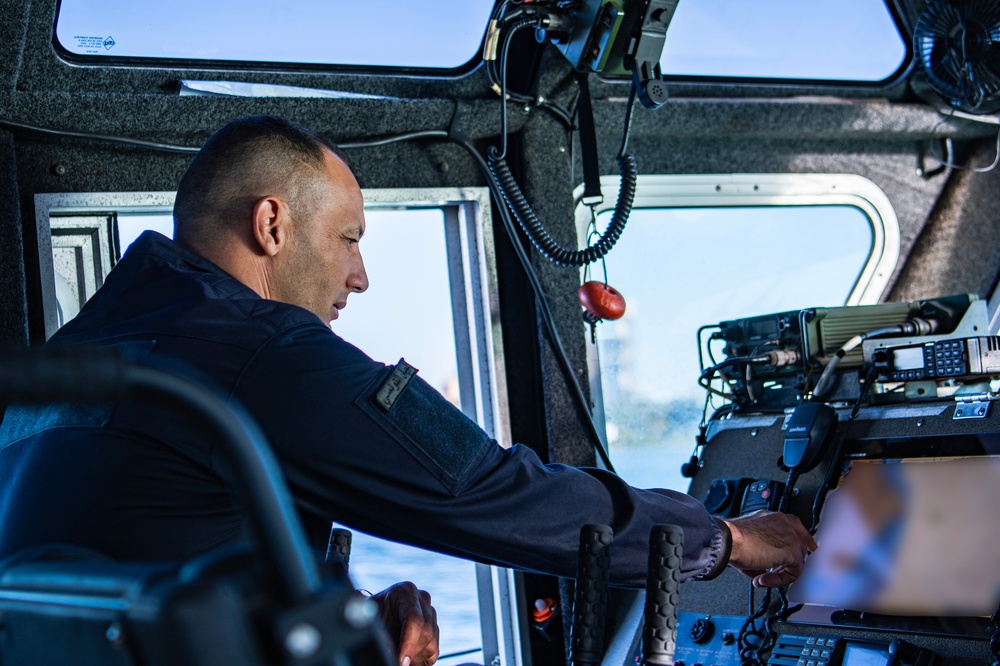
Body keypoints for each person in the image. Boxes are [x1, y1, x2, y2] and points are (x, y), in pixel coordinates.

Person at [0, 116, 815, 664]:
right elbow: (491, 491)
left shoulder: (76, 360)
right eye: (349, 238)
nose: (359, 275)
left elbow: (166, 539)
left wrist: (345, 618)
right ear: (273, 225)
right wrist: (725, 539)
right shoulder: (258, 352)